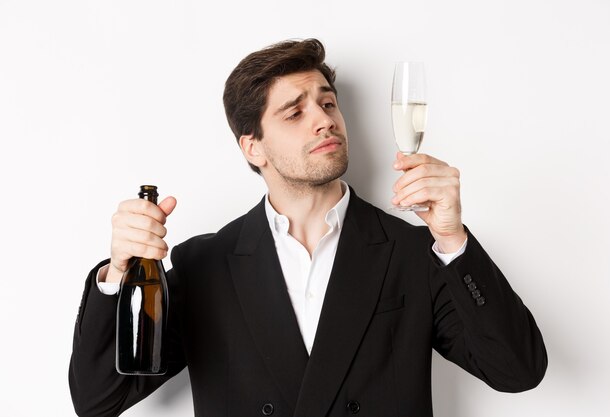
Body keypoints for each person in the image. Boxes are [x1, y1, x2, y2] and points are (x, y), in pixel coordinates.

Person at [69, 38, 547, 417]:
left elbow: (517, 371)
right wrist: (117, 274)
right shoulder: (205, 265)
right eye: (295, 112)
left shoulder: (411, 250)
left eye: (329, 104)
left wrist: (453, 240)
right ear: (252, 147)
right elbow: (99, 400)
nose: (324, 120)